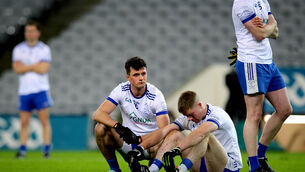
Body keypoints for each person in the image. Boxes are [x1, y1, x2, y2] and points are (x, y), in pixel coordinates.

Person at [232, 0, 292, 171]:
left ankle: (260, 155)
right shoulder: (241, 3)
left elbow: (276, 31)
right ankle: (254, 165)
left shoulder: (262, 0)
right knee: (255, 114)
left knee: (285, 109)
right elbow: (260, 35)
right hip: (251, 62)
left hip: (267, 62)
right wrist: (268, 29)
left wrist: (267, 29)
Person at [127, 91, 242, 172]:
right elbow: (163, 131)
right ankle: (152, 170)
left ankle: (181, 169)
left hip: (228, 167)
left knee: (205, 135)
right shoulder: (188, 118)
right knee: (174, 134)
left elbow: (201, 133)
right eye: (187, 116)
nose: (189, 119)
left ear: (200, 105)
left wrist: (177, 149)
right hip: (205, 163)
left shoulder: (217, 114)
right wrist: (140, 147)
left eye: (191, 114)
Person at [93, 56, 170, 172]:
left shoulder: (156, 96)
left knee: (167, 138)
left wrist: (140, 139)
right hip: (128, 143)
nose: (141, 78)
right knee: (99, 128)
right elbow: (98, 114)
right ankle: (114, 169)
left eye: (143, 74)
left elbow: (165, 130)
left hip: (150, 146)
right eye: (136, 75)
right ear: (128, 77)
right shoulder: (121, 90)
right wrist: (118, 127)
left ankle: (151, 169)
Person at [12, 20, 53, 158]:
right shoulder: (18, 49)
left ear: (38, 32)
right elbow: (17, 69)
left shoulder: (44, 49)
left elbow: (43, 69)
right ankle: (22, 150)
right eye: (27, 31)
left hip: (40, 90)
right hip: (24, 91)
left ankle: (46, 149)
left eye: (31, 30)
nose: (29, 33)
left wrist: (26, 66)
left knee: (44, 121)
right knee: (24, 122)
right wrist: (34, 65)